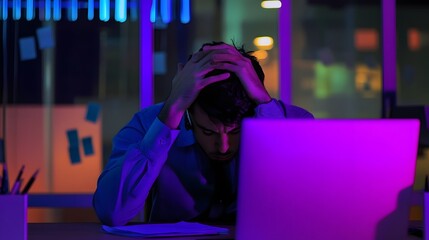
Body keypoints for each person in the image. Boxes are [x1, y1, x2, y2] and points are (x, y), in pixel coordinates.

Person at [93, 41, 314, 226]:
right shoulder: (150, 123)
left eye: (235, 131)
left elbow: (306, 204)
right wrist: (173, 108)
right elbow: (112, 212)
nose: (223, 146)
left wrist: (264, 102)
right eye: (208, 131)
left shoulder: (293, 123)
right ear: (189, 114)